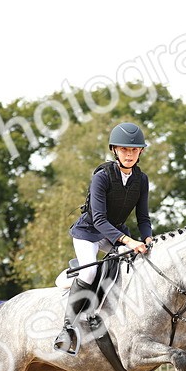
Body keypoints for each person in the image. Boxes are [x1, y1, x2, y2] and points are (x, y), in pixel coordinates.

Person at [53, 122, 154, 354]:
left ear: (141, 152)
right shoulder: (102, 177)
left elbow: (143, 217)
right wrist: (129, 242)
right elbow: (98, 219)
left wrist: (147, 238)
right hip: (89, 232)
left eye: (134, 150)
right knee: (89, 272)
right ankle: (67, 329)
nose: (129, 154)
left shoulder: (142, 179)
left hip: (115, 233)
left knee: (132, 268)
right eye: (124, 150)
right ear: (115, 151)